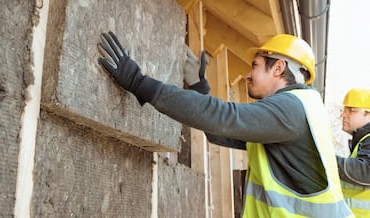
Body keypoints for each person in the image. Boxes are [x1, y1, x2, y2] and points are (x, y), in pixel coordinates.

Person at [97, 31, 353, 217]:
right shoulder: (301, 109)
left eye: (255, 66)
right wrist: (200, 89)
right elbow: (220, 131)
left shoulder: (291, 109)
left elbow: (225, 118)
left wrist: (141, 84)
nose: (249, 75)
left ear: (278, 68)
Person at [337, 88, 370, 217]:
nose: (343, 115)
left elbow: (366, 171)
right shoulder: (363, 140)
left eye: (352, 110)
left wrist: (326, 159)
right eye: (344, 110)